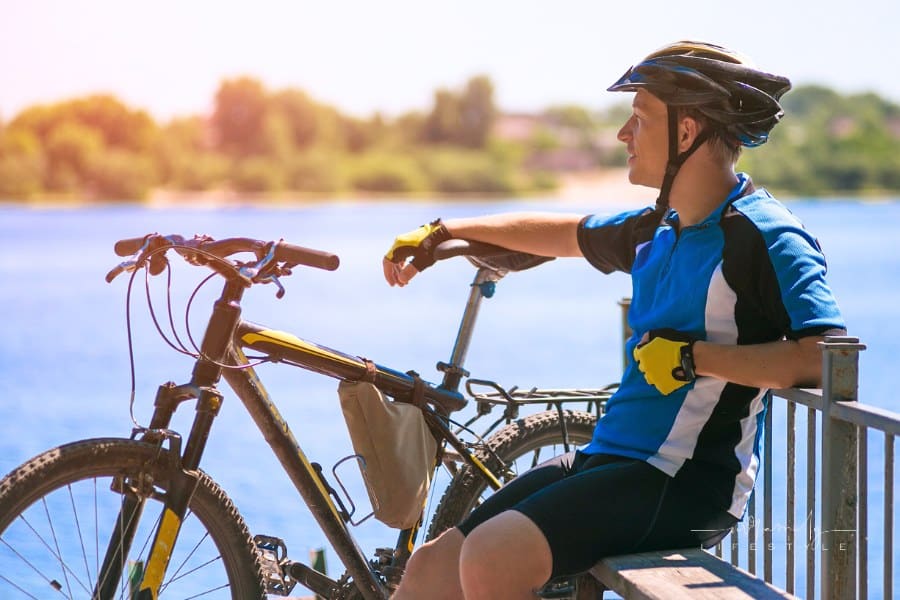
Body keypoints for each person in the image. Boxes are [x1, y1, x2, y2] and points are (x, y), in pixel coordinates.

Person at [382, 41, 845, 600]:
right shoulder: (658, 227)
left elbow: (825, 357)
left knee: (494, 556)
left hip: (687, 482)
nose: (624, 135)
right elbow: (562, 231)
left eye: (639, 118)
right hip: (611, 457)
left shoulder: (767, 236)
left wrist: (692, 359)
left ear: (685, 132)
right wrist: (445, 230)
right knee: (433, 568)